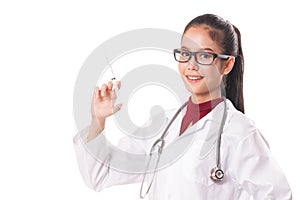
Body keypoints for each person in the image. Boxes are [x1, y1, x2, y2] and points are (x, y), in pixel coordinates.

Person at [73, 14, 292, 199]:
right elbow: (100, 175)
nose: (191, 65)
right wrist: (98, 120)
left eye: (205, 55)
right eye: (186, 53)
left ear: (228, 64)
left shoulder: (240, 132)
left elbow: (277, 195)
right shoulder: (161, 125)